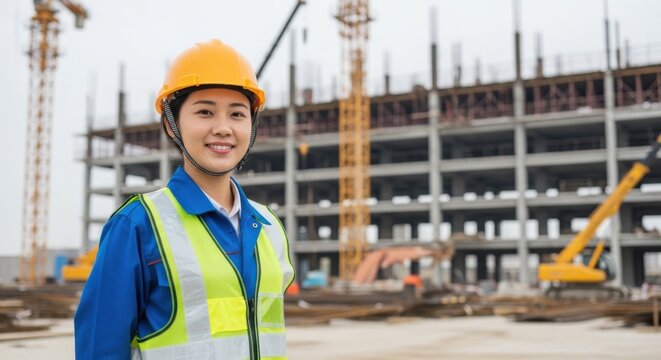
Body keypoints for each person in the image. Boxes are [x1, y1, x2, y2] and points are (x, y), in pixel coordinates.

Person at [74, 39, 295, 360]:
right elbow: (100, 347)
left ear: (252, 125)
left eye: (237, 114)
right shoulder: (138, 224)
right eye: (205, 112)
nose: (223, 128)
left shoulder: (268, 225)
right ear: (171, 124)